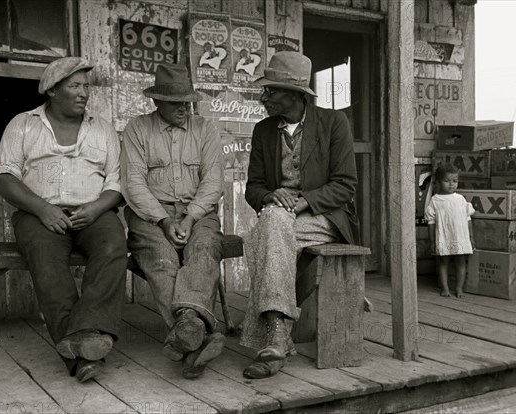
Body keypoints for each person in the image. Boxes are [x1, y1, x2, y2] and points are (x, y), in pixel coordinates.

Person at [0, 57, 127, 383]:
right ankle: (82, 357)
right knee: (46, 258)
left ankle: (80, 336)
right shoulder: (23, 124)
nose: (84, 93)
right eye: (75, 86)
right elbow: (3, 176)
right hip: (39, 215)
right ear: (52, 90)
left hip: (93, 212)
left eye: (86, 86)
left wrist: (96, 208)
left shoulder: (103, 129)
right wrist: (42, 208)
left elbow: (118, 183)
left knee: (113, 245)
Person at [240, 51, 360, 379]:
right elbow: (253, 188)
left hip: (324, 217)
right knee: (271, 224)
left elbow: (346, 185)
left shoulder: (334, 124)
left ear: (293, 95)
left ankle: (270, 333)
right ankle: (277, 336)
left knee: (260, 236)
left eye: (271, 91)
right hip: (280, 218)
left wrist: (304, 201)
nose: (264, 97)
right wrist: (270, 195)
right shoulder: (264, 130)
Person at [121, 63, 225, 379]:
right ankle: (196, 334)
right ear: (157, 101)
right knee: (161, 258)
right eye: (175, 102)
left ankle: (186, 333)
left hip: (199, 213)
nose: (183, 107)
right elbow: (133, 183)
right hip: (151, 216)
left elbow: (213, 181)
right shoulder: (138, 129)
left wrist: (191, 217)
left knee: (204, 249)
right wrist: (165, 221)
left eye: (187, 101)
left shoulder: (205, 128)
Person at [425, 162, 476, 298]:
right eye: (447, 181)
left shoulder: (460, 199)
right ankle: (445, 288)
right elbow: (431, 222)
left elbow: (468, 219)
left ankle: (459, 288)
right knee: (443, 262)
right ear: (438, 182)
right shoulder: (435, 201)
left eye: (454, 181)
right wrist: (432, 240)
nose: (451, 184)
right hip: (443, 237)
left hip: (460, 236)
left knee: (460, 261)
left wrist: (471, 237)